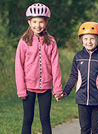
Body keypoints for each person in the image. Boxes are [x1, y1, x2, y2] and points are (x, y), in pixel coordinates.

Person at [56, 22, 98, 134]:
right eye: (86, 39)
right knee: (84, 129)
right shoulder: (78, 57)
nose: (89, 42)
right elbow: (73, 76)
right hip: (81, 99)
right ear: (81, 40)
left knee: (96, 129)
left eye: (92, 39)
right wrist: (66, 92)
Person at [15, 3, 62, 134]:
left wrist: (57, 88)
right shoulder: (23, 41)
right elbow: (19, 66)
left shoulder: (51, 42)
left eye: (41, 22)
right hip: (28, 87)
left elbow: (55, 66)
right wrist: (21, 89)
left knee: (45, 119)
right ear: (29, 22)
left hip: (46, 87)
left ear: (46, 22)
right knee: (27, 119)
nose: (38, 25)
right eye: (34, 21)